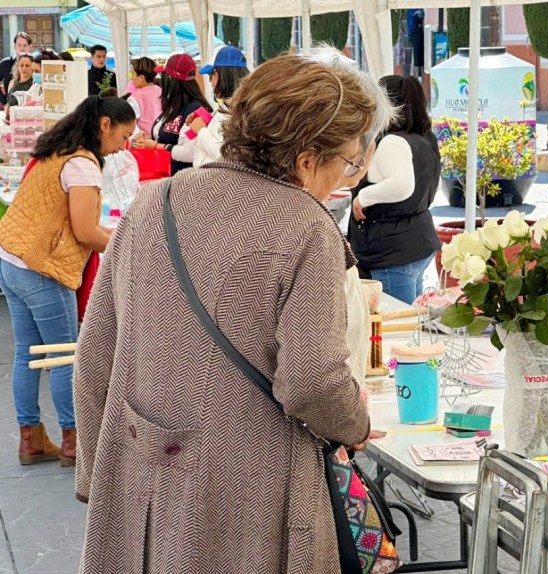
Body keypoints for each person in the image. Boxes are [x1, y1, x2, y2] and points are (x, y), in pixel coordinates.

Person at [74, 53, 391, 572]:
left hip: (142, 477)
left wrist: (98, 473)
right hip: (251, 491)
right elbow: (312, 382)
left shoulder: (155, 201)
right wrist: (352, 424)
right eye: (348, 163)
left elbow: (95, 353)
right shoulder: (307, 225)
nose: (347, 178)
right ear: (307, 159)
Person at [0, 95, 135, 466]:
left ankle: (30, 439)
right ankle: (75, 440)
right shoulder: (83, 164)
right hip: (43, 268)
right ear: (104, 125)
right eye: (123, 137)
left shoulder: (57, 149)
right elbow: (86, 232)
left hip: (12, 259)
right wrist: (131, 242)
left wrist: (115, 232)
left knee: (27, 353)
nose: (123, 146)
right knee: (65, 356)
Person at [348, 74, 441, 304]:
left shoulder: (393, 142)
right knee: (412, 321)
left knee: (396, 323)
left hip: (392, 251)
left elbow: (402, 185)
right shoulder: (424, 138)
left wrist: (363, 196)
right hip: (415, 242)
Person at [132, 53, 211, 174]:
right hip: (165, 175)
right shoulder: (173, 105)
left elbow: (190, 152)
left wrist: (156, 146)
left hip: (184, 180)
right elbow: (167, 137)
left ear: (169, 78)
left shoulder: (195, 110)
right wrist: (149, 138)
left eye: (162, 75)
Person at [189, 46, 250, 167]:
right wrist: (206, 121)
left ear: (225, 74)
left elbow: (226, 153)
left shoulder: (240, 110)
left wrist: (201, 131)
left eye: (212, 74)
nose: (210, 81)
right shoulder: (228, 105)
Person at [125, 56, 162, 135]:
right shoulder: (163, 92)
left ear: (141, 77)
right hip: (162, 140)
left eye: (133, 74)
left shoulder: (135, 98)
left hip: (143, 142)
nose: (131, 78)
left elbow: (129, 123)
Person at [0, 32, 32, 107]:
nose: (22, 48)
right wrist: (4, 101)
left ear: (30, 46)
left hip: (32, 107)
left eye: (25, 45)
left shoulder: (35, 63)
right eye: (19, 45)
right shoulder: (5, 63)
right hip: (11, 107)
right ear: (14, 46)